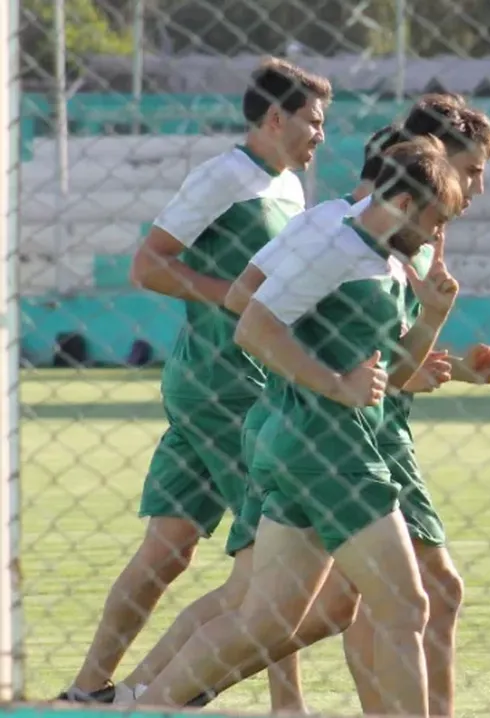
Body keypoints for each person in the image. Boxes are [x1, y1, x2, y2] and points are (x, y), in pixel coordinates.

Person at [115, 98, 490, 717]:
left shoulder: (351, 239)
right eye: (436, 218)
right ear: (406, 198)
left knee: (265, 621)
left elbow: (392, 370)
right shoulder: (337, 242)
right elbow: (253, 322)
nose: (439, 234)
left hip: (294, 445)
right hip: (334, 447)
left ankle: (136, 706)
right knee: (407, 605)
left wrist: (433, 317)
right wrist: (332, 382)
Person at [56, 57, 331, 704]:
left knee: (169, 548)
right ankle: (285, 704)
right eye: (313, 122)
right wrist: (232, 297)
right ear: (273, 117)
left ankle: (90, 690)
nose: (321, 135)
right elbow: (148, 266)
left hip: (244, 381)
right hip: (222, 384)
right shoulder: (223, 177)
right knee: (272, 548)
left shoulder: (290, 187)